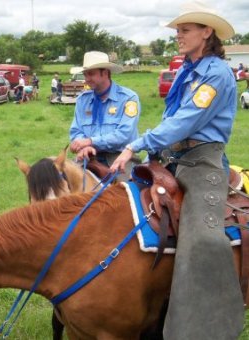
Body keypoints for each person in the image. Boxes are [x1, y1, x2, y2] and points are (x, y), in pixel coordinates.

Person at [110, 2, 244, 339]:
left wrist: (135, 144)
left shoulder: (216, 73)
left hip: (203, 163)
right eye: (177, 31)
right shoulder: (187, 70)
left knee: (202, 239)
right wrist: (154, 148)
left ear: (206, 32)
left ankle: (203, 328)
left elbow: (186, 122)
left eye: (185, 30)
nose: (178, 37)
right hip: (174, 159)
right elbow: (172, 120)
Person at [69, 51, 140, 182]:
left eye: (91, 74)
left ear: (106, 73)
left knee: (125, 193)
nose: (87, 79)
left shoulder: (128, 98)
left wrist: (91, 141)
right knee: (64, 185)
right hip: (88, 155)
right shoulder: (82, 100)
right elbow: (76, 130)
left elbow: (124, 135)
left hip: (119, 156)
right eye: (85, 74)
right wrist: (85, 146)